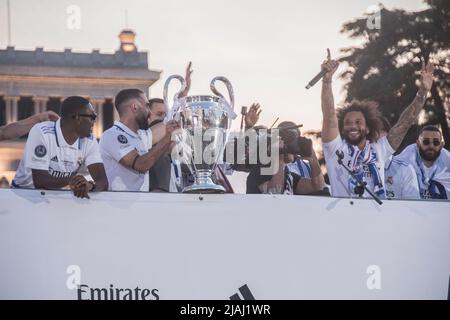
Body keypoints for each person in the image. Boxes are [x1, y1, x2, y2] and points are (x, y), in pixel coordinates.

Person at [320, 48, 435, 198]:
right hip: (343, 218)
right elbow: (329, 116)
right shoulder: (335, 150)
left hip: (379, 219)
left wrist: (422, 93)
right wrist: (327, 80)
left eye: (358, 122)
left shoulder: (380, 149)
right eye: (347, 123)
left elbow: (405, 123)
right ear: (342, 129)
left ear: (367, 129)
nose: (353, 126)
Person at [12, 96, 108, 198]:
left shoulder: (89, 140)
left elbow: (102, 181)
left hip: (58, 196)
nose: (94, 122)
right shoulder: (42, 132)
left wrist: (89, 185)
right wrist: (73, 180)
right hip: (24, 194)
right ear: (77, 118)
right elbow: (40, 182)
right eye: (92, 117)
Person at [99, 89, 179, 192]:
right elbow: (141, 165)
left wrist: (181, 107)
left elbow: (168, 125)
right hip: (120, 204)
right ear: (134, 107)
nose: (149, 112)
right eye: (146, 106)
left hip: (140, 203)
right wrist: (167, 137)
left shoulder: (141, 135)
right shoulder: (112, 135)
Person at [395, 125, 450, 199]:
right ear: (418, 143)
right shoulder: (406, 158)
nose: (431, 146)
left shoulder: (447, 159)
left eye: (436, 142)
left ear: (441, 145)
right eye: (426, 142)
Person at [379, 117, 420, 200]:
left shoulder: (405, 169)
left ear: (388, 135)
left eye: (379, 131)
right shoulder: (356, 167)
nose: (374, 137)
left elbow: (413, 208)